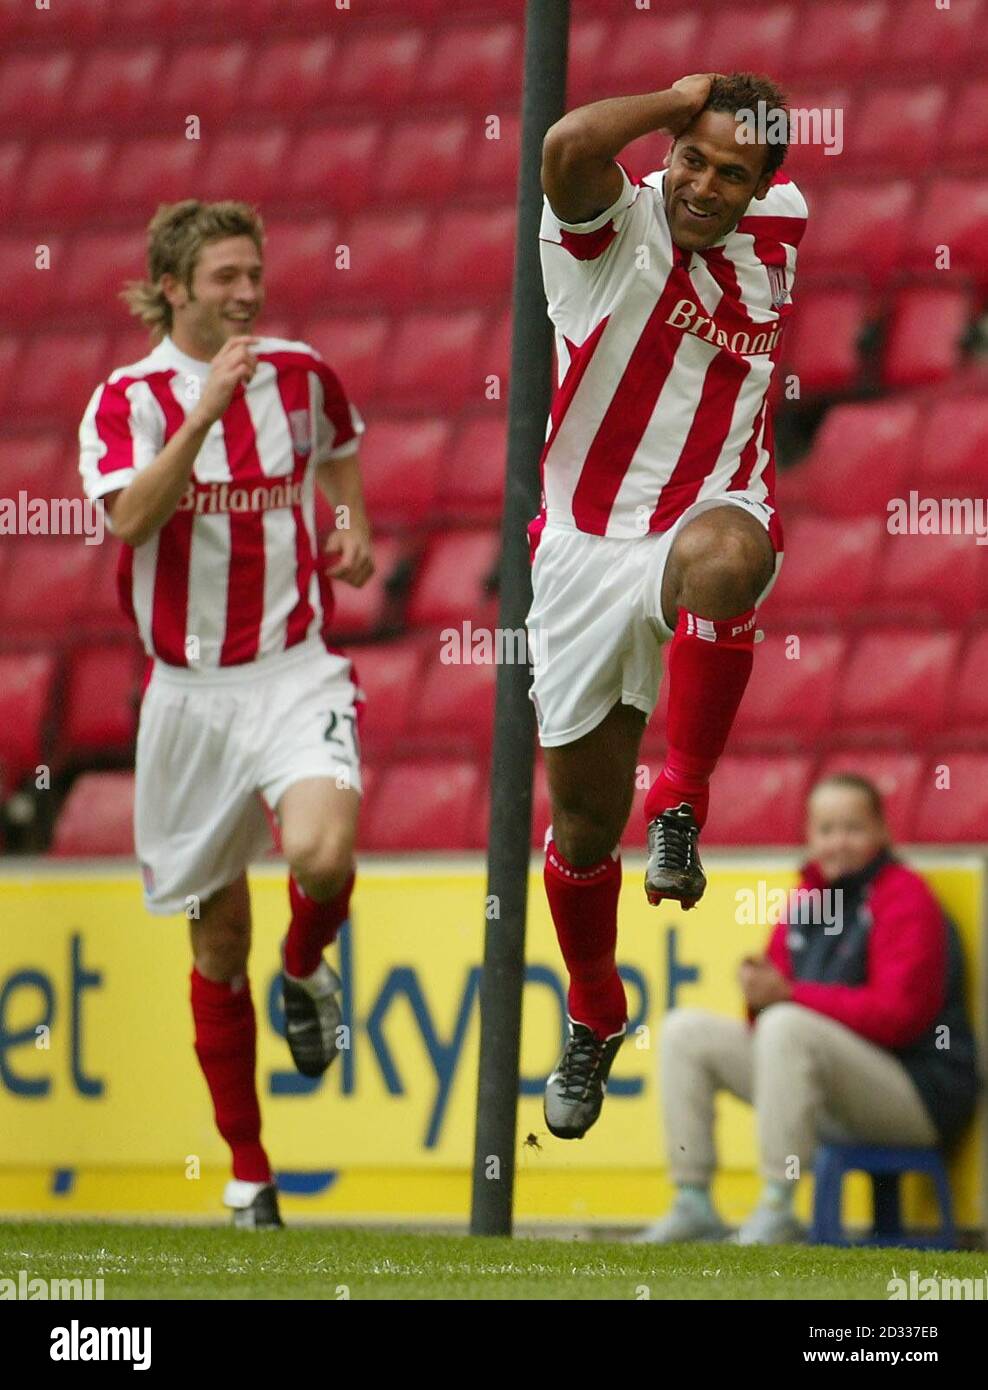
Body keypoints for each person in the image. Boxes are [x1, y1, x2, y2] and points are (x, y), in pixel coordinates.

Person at [78, 200, 374, 1228]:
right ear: (171, 285)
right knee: (215, 943)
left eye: (253, 272)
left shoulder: (299, 372)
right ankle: (250, 1174)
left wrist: (350, 521)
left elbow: (339, 444)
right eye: (223, 278)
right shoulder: (127, 401)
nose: (247, 293)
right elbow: (127, 517)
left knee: (325, 857)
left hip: (293, 668)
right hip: (189, 695)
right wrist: (203, 412)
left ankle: (304, 970)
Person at [531, 72, 807, 1137]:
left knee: (728, 561)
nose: (702, 184)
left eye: (730, 173)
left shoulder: (781, 226)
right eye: (690, 159)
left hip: (709, 512)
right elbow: (562, 150)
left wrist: (732, 124)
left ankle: (682, 802)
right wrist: (676, 101)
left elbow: (774, 174)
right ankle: (595, 1007)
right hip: (584, 552)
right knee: (583, 830)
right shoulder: (605, 232)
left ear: (760, 188)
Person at [639, 773, 980, 1245]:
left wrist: (784, 999)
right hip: (832, 1085)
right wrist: (757, 996)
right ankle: (692, 1200)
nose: (838, 842)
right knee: (684, 1031)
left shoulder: (905, 897)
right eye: (826, 829)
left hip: (919, 1096)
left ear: (883, 831)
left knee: (787, 1024)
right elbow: (769, 1013)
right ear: (809, 836)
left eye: (853, 828)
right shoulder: (807, 902)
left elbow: (899, 1018)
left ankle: (777, 1205)